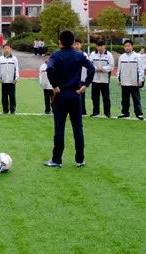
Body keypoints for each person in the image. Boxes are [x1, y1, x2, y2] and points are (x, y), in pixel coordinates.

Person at [44, 29, 95, 168]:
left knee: (59, 128)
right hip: (75, 94)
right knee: (78, 128)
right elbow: (92, 68)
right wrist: (86, 84)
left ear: (59, 42)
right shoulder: (79, 55)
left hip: (61, 95)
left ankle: (57, 160)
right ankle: (80, 159)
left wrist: (54, 86)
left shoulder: (56, 55)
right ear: (73, 42)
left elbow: (49, 69)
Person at [117, 40, 144, 119]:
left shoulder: (138, 56)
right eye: (125, 46)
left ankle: (139, 114)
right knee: (124, 99)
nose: (127, 47)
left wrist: (140, 79)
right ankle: (125, 113)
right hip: (124, 81)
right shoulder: (121, 57)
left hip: (134, 81)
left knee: (136, 99)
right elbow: (119, 69)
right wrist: (119, 79)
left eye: (128, 46)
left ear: (132, 46)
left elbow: (141, 69)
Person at [88, 40, 114, 118]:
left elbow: (111, 66)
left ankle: (107, 113)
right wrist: (96, 69)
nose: (99, 47)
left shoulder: (109, 55)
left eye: (101, 46)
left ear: (104, 46)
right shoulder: (92, 54)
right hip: (95, 79)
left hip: (105, 79)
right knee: (95, 97)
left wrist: (102, 69)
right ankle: (95, 112)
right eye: (98, 46)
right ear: (96, 46)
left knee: (106, 97)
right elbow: (90, 64)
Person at [0, 44, 19, 114]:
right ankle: (5, 110)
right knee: (4, 96)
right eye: (5, 48)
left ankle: (12, 109)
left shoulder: (14, 59)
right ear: (3, 50)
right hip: (4, 81)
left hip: (12, 81)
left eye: (8, 48)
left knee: (12, 96)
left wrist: (16, 78)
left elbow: (17, 69)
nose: (6, 50)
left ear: (10, 49)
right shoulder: (0, 59)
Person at [72, 38, 90, 114]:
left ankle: (83, 112)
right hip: (73, 80)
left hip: (82, 79)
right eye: (75, 44)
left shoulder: (84, 55)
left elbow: (88, 67)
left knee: (81, 97)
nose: (76, 46)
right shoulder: (71, 54)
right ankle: (73, 111)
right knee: (73, 96)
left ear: (81, 45)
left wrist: (86, 80)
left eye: (77, 44)